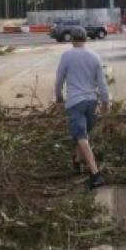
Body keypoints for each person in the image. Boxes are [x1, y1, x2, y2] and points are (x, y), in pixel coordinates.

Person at [54, 27, 109, 189]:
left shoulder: (66, 56)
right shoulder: (95, 57)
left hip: (75, 102)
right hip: (91, 102)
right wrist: (106, 103)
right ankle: (77, 161)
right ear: (86, 39)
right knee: (83, 135)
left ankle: (95, 174)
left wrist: (58, 98)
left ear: (72, 39)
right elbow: (102, 83)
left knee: (82, 136)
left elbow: (59, 80)